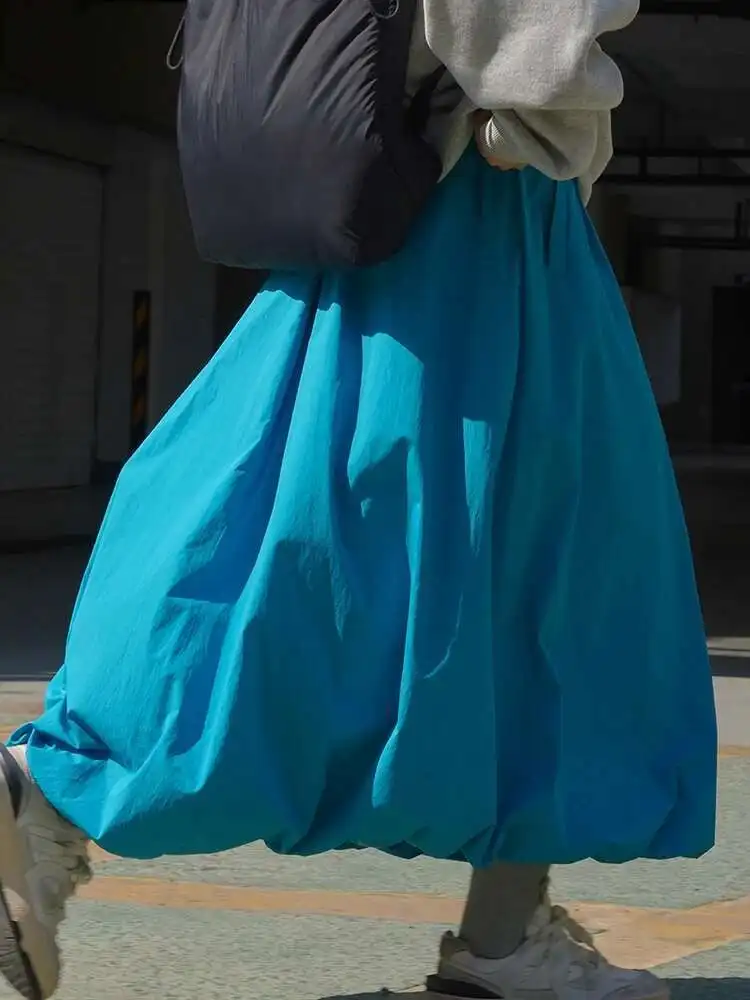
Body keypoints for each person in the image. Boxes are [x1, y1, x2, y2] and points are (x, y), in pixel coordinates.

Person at [0, 1, 717, 999]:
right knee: (542, 568)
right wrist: (566, 120)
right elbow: (532, 66)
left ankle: (503, 930)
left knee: (300, 516)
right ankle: (60, 784)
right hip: (481, 217)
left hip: (402, 212)